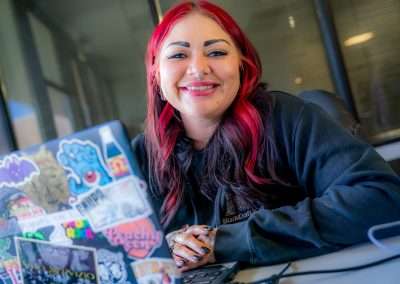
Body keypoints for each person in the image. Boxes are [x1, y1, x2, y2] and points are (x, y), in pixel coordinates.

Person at [131, 0, 400, 272]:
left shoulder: (286, 118)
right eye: (178, 55)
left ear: (241, 66)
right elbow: (105, 254)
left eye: (216, 52)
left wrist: (223, 242)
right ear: (155, 75)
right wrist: (167, 246)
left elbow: (383, 197)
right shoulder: (138, 157)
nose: (198, 68)